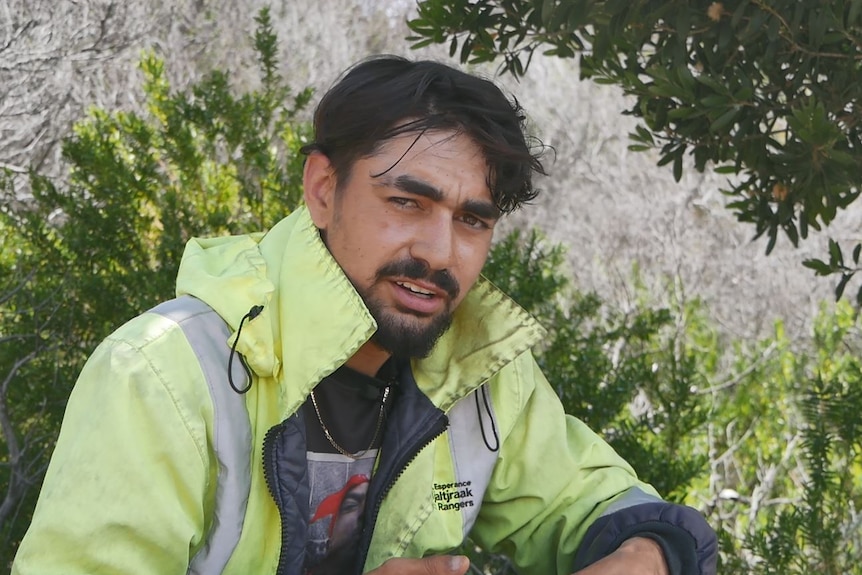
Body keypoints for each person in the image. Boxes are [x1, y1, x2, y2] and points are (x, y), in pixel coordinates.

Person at [12, 55, 717, 575]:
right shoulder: (162, 374)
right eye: (406, 202)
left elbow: (602, 500)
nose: (439, 253)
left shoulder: (479, 375)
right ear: (323, 189)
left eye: (472, 220)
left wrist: (645, 553)